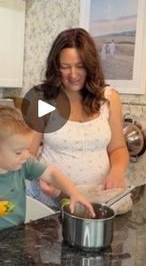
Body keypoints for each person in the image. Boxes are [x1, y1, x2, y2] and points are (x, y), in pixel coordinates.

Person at [27, 28, 129, 209]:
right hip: (50, 201)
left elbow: (118, 148)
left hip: (96, 200)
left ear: (91, 65)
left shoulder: (109, 98)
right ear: (55, 67)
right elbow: (27, 153)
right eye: (65, 67)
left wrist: (117, 171)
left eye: (80, 66)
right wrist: (41, 175)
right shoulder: (44, 99)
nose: (73, 75)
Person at [0, 106, 94, 240]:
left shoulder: (23, 164)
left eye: (27, 149)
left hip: (15, 237)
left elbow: (51, 173)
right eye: (19, 152)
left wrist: (73, 192)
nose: (26, 155)